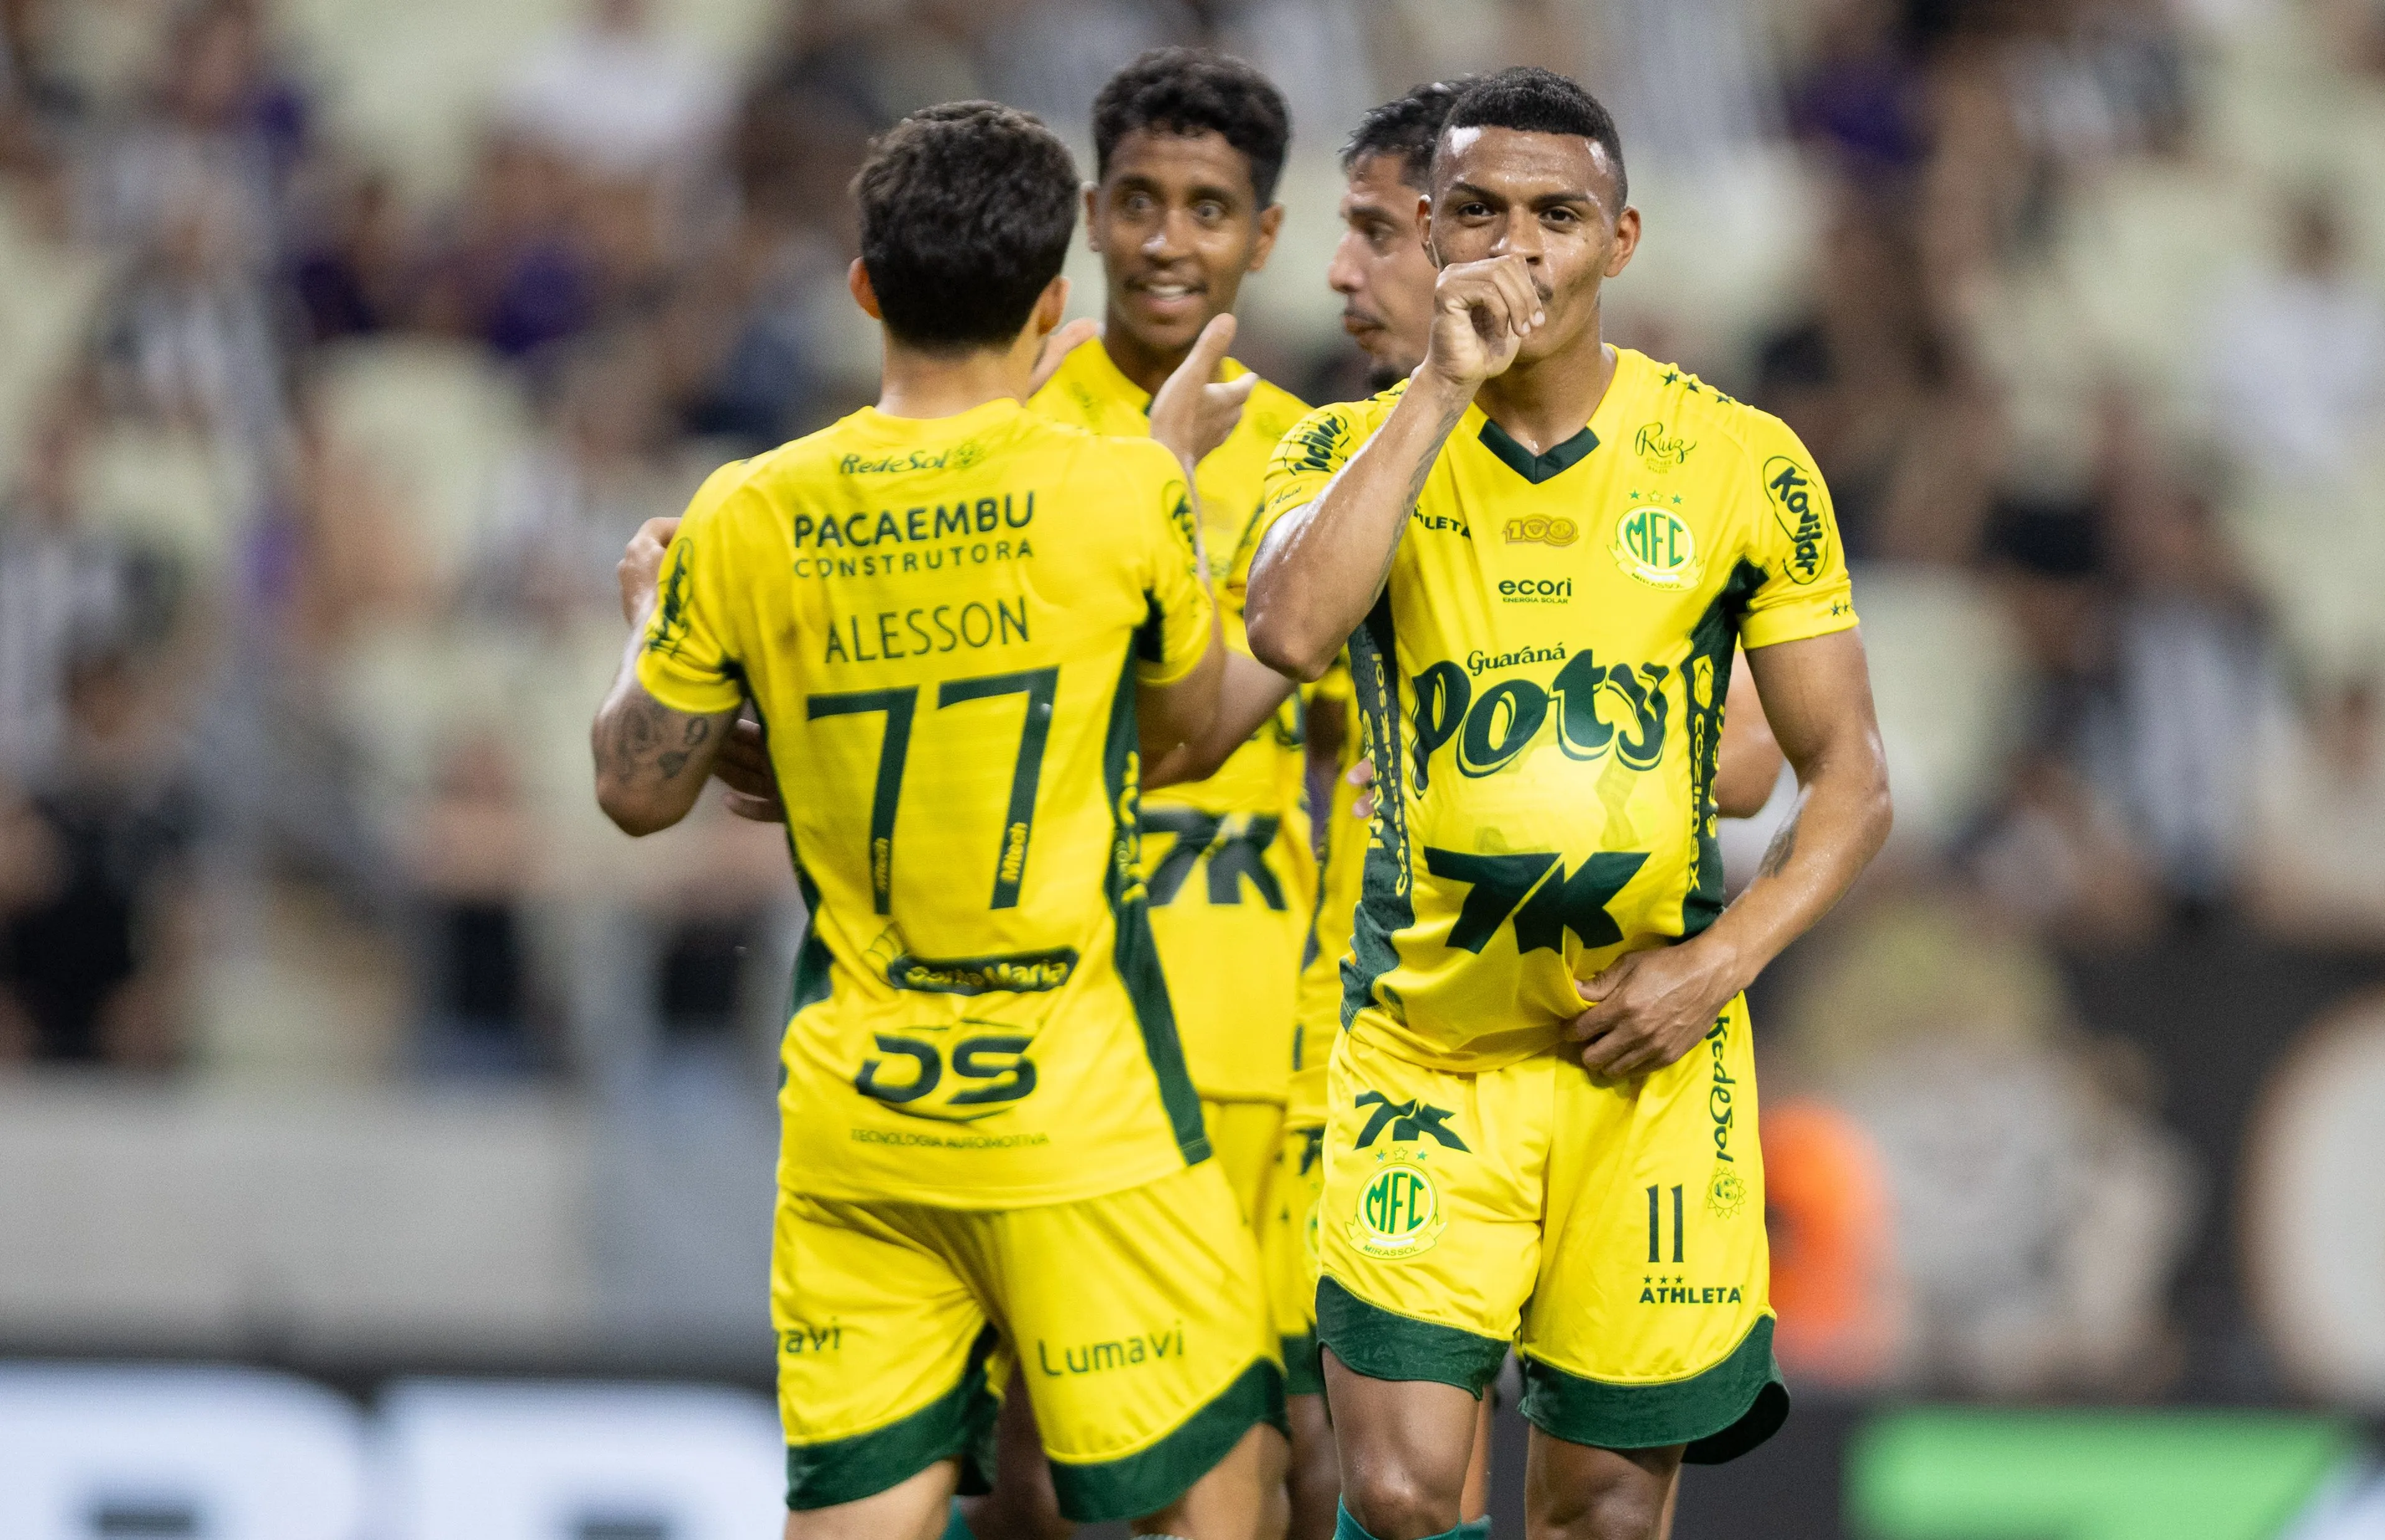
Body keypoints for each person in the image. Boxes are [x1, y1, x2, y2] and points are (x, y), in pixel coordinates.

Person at [588, 101, 1276, 1539]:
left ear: (862, 287)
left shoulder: (748, 511)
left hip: (861, 1119)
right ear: (1052, 305)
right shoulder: (1121, 489)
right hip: (1077, 1117)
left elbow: (637, 791)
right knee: (1218, 1510)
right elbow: (1192, 733)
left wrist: (645, 625)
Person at [1241, 68, 1893, 1540]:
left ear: (1622, 239)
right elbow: (1286, 633)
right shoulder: (1345, 451)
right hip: (1428, 1051)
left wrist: (1716, 967)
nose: (1518, 248)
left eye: (1557, 217)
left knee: (1597, 1515)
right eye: (1478, 212)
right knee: (1402, 1494)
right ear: (1431, 224)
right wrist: (1438, 388)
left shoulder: (1741, 464)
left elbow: (1849, 781)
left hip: (1644, 1074)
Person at [967, 45, 1312, 1540]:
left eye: (1211, 208)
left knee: (1283, 1464)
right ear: (1090, 218)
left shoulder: (1316, 458)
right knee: (1039, 1463)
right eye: (1143, 204)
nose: (1173, 241)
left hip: (1251, 1032)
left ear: (1264, 233)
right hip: (1052, 1018)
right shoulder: (996, 438)